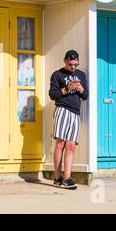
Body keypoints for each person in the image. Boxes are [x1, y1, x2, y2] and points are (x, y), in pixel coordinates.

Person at [49, 50, 89, 189]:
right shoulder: (57, 74)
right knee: (61, 143)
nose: (73, 67)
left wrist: (80, 88)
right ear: (65, 61)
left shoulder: (80, 75)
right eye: (70, 64)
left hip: (75, 112)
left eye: (75, 64)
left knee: (71, 145)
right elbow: (52, 95)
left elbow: (86, 95)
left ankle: (67, 178)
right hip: (62, 110)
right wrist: (67, 88)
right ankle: (57, 177)